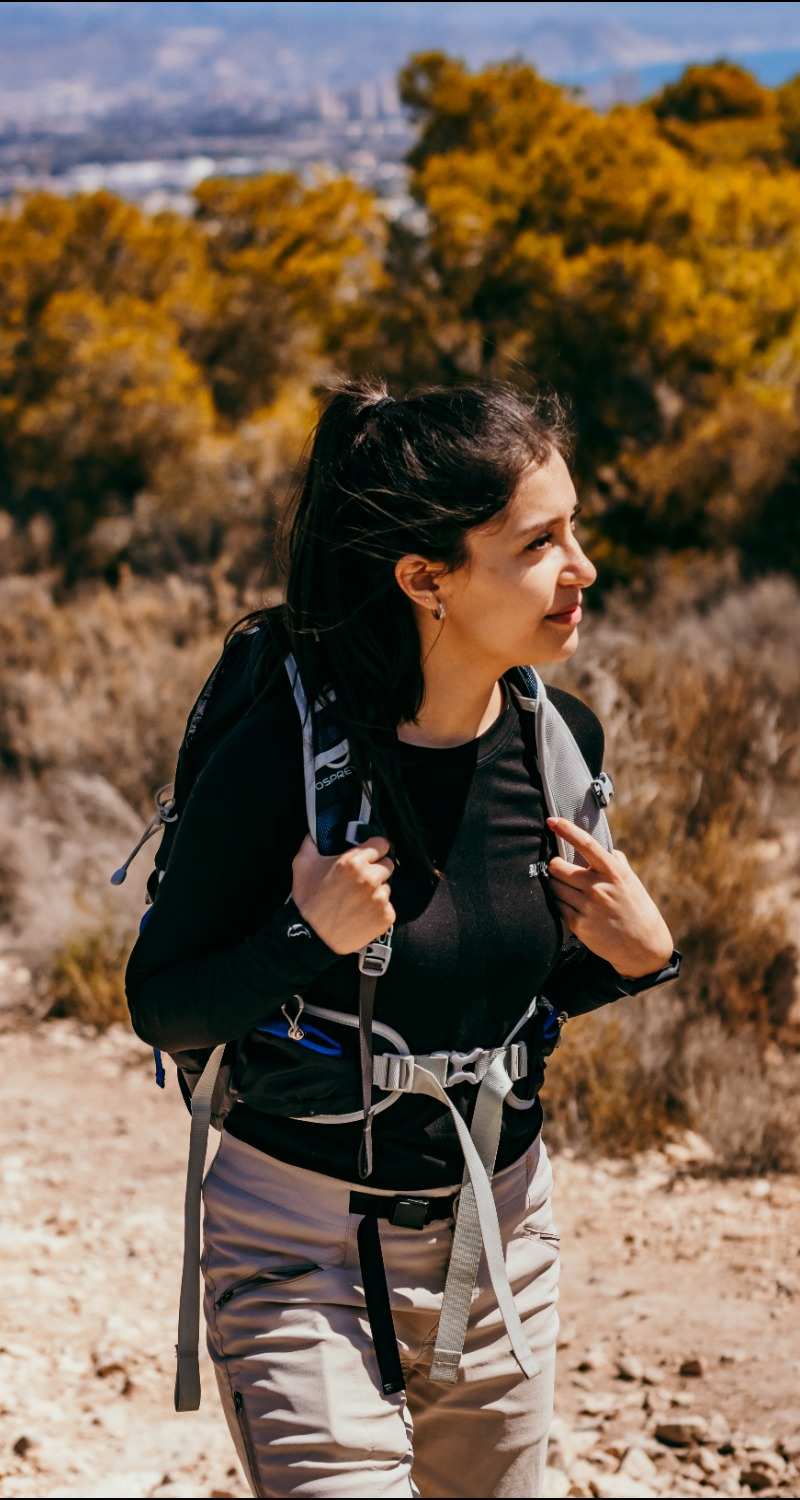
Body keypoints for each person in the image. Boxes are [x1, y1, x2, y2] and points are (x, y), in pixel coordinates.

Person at [126, 378, 680, 1499]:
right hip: (296, 1256)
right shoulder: (277, 751)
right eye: (539, 542)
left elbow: (496, 992)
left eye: (573, 529)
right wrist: (300, 935)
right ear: (424, 577)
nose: (580, 568)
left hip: (503, 1252)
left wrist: (638, 960)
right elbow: (163, 1001)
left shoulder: (556, 739)